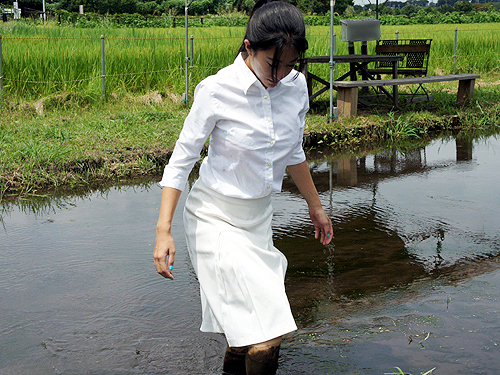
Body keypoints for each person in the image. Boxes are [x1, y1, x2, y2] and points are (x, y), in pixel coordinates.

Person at [154, 1, 333, 373]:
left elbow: (292, 151)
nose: (280, 74)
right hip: (214, 218)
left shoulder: (296, 88)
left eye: (290, 64)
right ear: (249, 47)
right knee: (268, 336)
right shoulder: (217, 89)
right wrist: (162, 230)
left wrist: (315, 206)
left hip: (258, 221)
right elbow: (182, 159)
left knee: (248, 330)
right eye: (273, 63)